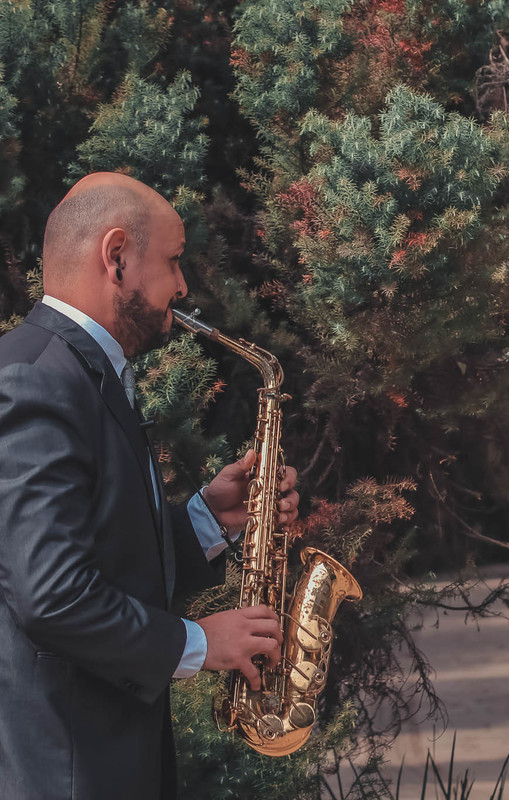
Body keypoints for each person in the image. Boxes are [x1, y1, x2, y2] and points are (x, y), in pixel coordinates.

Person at [0, 172, 301, 799]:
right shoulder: (36, 379)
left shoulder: (73, 371)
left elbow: (99, 551)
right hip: (63, 772)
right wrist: (195, 642)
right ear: (116, 259)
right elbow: (51, 595)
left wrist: (208, 520)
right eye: (172, 262)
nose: (183, 285)